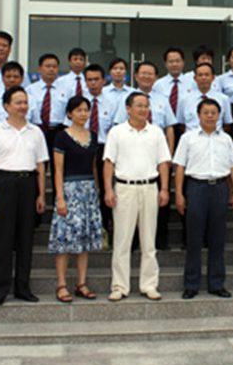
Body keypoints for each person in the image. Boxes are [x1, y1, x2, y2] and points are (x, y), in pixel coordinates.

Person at [0, 86, 48, 305]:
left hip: (28, 184)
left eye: (25, 102)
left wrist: (41, 195)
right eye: (18, 102)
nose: (23, 106)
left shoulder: (35, 132)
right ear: (6, 106)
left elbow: (40, 166)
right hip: (5, 184)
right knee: (3, 239)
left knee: (25, 239)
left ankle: (23, 288)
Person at [103, 92, 172, 302]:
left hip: (149, 187)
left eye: (146, 106)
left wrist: (164, 189)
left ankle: (149, 284)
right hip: (124, 188)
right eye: (139, 106)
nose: (143, 110)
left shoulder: (156, 132)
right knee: (122, 240)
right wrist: (108, 189)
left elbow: (163, 163)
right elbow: (109, 162)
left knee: (149, 241)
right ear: (128, 108)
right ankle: (119, 286)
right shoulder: (117, 132)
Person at [174, 98, 233, 299]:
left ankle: (216, 284)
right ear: (198, 115)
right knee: (194, 239)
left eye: (214, 112)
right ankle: (191, 284)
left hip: (219, 188)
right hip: (196, 188)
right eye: (206, 112)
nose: (210, 116)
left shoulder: (226, 139)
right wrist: (179, 193)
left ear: (219, 115)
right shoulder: (188, 138)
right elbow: (179, 166)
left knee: (217, 239)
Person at [113, 61, 177, 250]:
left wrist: (168, 155)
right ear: (136, 76)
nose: (147, 77)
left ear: (156, 77)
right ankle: (133, 243)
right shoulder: (126, 99)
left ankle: (159, 242)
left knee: (160, 200)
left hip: (156, 154)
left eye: (151, 74)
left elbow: (169, 128)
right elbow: (119, 126)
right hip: (132, 157)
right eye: (143, 73)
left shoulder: (162, 99)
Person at [49, 96, 103, 303]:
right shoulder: (62, 137)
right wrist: (60, 198)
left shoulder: (93, 136)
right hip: (69, 190)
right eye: (78, 110)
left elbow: (93, 166)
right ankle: (61, 284)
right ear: (69, 113)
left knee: (84, 240)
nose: (83, 114)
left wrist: (96, 190)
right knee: (65, 239)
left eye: (86, 110)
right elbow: (58, 170)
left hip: (88, 191)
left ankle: (81, 283)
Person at [84, 64, 118, 246]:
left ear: (104, 80)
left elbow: (116, 128)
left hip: (105, 148)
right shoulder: (79, 102)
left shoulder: (113, 101)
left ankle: (105, 228)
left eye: (96, 79)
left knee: (106, 189)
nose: (93, 83)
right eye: (89, 80)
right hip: (83, 148)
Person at [26, 53, 68, 177]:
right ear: (40, 68)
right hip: (38, 130)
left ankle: (57, 190)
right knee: (38, 165)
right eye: (48, 66)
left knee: (58, 167)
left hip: (59, 131)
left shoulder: (66, 89)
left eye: (54, 66)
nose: (51, 69)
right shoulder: (30, 90)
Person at [177, 62, 232, 133]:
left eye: (207, 75)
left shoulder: (223, 99)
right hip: (191, 138)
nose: (203, 78)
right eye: (200, 75)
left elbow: (227, 125)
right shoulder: (184, 100)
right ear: (195, 78)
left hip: (215, 137)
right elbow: (181, 125)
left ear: (213, 78)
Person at [153, 47, 196, 116]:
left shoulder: (193, 83)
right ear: (165, 64)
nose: (174, 64)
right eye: (171, 61)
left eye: (177, 61)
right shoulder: (158, 84)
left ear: (183, 63)